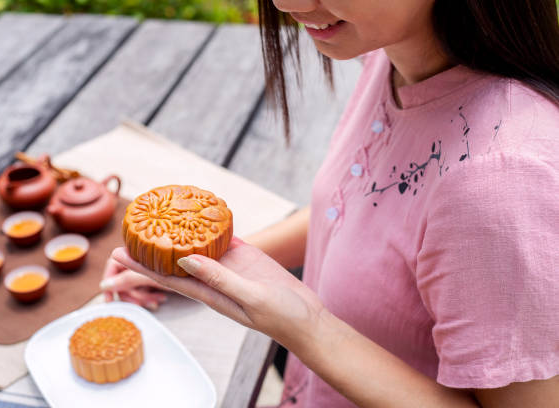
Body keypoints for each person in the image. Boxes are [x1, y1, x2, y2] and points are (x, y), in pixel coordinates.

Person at [101, 0, 559, 406]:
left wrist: (306, 328)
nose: (286, 2)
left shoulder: (498, 183)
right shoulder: (391, 55)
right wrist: (209, 260)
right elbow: (359, 207)